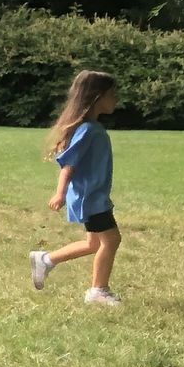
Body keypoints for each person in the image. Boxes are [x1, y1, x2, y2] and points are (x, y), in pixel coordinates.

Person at [30, 69, 122, 305]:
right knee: (111, 240)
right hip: (90, 198)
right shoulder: (89, 130)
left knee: (94, 243)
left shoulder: (92, 128)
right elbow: (68, 164)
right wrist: (60, 193)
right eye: (112, 93)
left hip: (95, 196)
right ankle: (98, 291)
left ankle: (46, 259)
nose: (116, 99)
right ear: (96, 97)